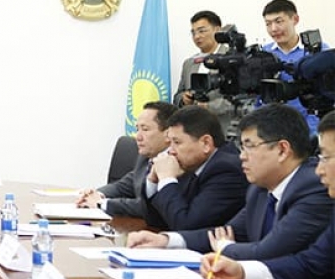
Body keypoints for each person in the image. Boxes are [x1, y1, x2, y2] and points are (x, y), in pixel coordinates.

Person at [128, 104, 331, 259]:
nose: (242, 156)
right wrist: (166, 240)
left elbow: (269, 251)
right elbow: (226, 233)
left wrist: (226, 249)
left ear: (282, 150)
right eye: (242, 147)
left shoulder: (313, 187)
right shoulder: (259, 189)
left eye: (249, 146)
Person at [201, 110, 335, 279]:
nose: (319, 170)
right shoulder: (260, 189)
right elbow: (310, 264)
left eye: (326, 158)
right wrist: (242, 272)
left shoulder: (311, 188)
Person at [142, 105, 249, 231]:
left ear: (206, 143)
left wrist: (167, 179)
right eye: (170, 143)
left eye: (177, 142)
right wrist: (153, 181)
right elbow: (157, 221)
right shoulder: (191, 164)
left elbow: (186, 225)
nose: (171, 151)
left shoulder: (226, 171)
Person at [76, 101, 176, 217]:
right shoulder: (146, 157)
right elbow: (123, 186)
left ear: (168, 134)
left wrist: (102, 203)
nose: (138, 137)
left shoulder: (178, 162)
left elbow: (151, 208)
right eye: (137, 129)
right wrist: (96, 194)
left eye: (145, 129)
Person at [260, 0, 329, 135]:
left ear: (295, 19)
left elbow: (327, 96)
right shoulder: (263, 55)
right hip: (272, 131)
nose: (273, 29)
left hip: (312, 130)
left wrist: (310, 134)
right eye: (268, 24)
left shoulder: (319, 52)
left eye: (279, 21)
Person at [173, 10, 234, 136]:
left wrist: (208, 107)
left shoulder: (231, 58)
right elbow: (178, 95)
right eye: (193, 33)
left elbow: (239, 99)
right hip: (194, 132)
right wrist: (184, 99)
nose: (197, 36)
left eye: (202, 31)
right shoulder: (189, 63)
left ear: (217, 30)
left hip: (224, 130)